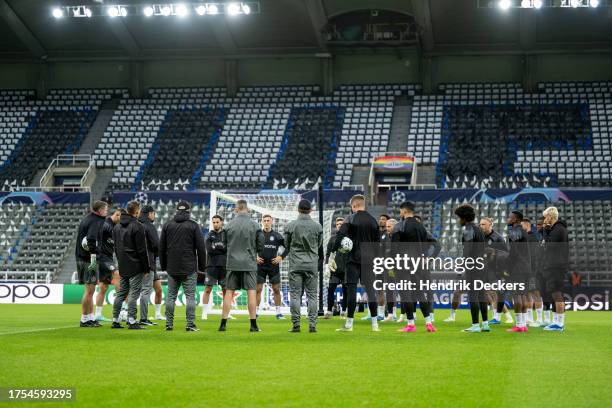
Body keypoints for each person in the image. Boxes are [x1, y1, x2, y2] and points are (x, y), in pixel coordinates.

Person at [334, 194, 381, 332]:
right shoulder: (373, 221)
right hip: (369, 260)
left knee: (352, 290)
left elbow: (339, 236)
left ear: (354, 206)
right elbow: (378, 244)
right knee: (371, 292)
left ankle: (349, 324)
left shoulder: (350, 218)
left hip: (353, 259)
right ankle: (375, 325)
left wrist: (336, 250)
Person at [159, 201, 206, 332]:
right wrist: (202, 266)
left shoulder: (167, 225)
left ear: (177, 210)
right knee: (190, 296)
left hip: (172, 267)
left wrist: (164, 266)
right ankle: (190, 325)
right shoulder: (193, 225)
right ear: (188, 210)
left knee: (171, 296)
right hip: (189, 267)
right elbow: (201, 248)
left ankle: (169, 324)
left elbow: (161, 248)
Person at [219, 200, 264, 332]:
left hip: (232, 263)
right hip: (249, 263)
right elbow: (261, 244)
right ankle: (253, 325)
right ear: (247, 209)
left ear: (236, 209)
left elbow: (223, 244)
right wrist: (255, 252)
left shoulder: (228, 226)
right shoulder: (255, 225)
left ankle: (223, 324)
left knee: (229, 292)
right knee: (251, 292)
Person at [392, 202, 436, 333]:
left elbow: (395, 248)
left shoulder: (400, 226)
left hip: (403, 263)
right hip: (418, 264)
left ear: (404, 211)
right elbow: (426, 246)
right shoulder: (421, 227)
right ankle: (428, 323)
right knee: (420, 293)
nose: (400, 214)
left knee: (406, 294)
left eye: (400, 211)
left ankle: (410, 324)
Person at [284, 199, 323, 333]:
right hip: (311, 263)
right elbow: (319, 245)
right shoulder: (317, 226)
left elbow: (286, 245)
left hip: (295, 264)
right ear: (311, 210)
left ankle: (296, 325)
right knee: (312, 295)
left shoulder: (290, 225)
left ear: (298, 209)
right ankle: (312, 325)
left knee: (295, 295)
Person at [111, 201, 149, 330]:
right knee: (134, 294)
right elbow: (142, 250)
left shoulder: (116, 227)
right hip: (135, 265)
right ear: (137, 212)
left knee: (121, 293)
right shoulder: (138, 226)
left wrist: (120, 261)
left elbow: (115, 248)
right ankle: (132, 320)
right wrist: (146, 267)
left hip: (122, 264)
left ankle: (115, 320)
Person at [454, 204, 489, 333]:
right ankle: (485, 324)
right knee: (481, 295)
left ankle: (475, 325)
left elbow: (467, 251)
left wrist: (463, 265)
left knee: (473, 295)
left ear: (464, 217)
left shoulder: (468, 230)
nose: (459, 220)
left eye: (459, 217)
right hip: (482, 265)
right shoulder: (479, 229)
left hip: (473, 267)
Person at [75, 200, 108, 327]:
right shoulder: (97, 221)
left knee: (90, 290)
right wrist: (94, 258)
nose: (106, 212)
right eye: (105, 209)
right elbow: (91, 239)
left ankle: (89, 317)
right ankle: (84, 319)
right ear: (99, 210)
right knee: (90, 290)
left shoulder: (87, 218)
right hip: (88, 259)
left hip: (82, 257)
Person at [479, 217, 513, 325]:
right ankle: (497, 316)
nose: (481, 226)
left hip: (496, 269)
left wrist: (494, 253)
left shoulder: (498, 238)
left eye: (484, 224)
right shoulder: (479, 237)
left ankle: (504, 316)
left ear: (490, 225)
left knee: (495, 293)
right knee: (487, 293)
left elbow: (506, 254)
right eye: (480, 224)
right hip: (483, 268)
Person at [541, 206, 569, 332]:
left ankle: (559, 324)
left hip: (556, 266)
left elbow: (549, 245)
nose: (544, 219)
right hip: (554, 265)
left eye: (546, 216)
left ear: (551, 217)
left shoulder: (558, 229)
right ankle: (557, 321)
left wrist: (545, 230)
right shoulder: (557, 229)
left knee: (557, 293)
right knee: (554, 293)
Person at [256, 215, 288, 319]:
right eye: (264, 221)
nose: (266, 222)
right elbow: (249, 247)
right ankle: (255, 312)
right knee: (258, 289)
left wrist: (281, 257)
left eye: (268, 221)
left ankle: (278, 313)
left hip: (273, 266)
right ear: (262, 222)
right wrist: (254, 257)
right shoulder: (257, 235)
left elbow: (288, 248)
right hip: (260, 265)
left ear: (271, 222)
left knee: (276, 289)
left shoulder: (277, 235)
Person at [505, 210, 532, 333]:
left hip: (517, 268)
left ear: (515, 219)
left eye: (510, 217)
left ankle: (519, 325)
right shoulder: (524, 232)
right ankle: (523, 324)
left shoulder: (514, 232)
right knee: (523, 295)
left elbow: (513, 253)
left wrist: (507, 269)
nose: (507, 218)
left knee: (516, 296)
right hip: (526, 267)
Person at [94, 207, 122, 322]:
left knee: (103, 287)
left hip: (109, 257)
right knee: (116, 273)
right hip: (103, 257)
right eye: (121, 218)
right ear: (117, 215)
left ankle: (98, 314)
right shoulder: (106, 224)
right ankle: (122, 308)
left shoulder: (115, 227)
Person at [138, 205, 164, 325]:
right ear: (149, 214)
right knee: (145, 291)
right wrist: (158, 254)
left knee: (158, 288)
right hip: (148, 263)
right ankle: (143, 318)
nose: (154, 216)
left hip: (138, 262)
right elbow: (156, 245)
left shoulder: (136, 225)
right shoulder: (149, 226)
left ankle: (157, 314)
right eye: (154, 213)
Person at [202, 215, 227, 320]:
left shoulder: (226, 235)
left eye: (217, 222)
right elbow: (209, 250)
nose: (215, 224)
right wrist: (221, 248)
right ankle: (204, 313)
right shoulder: (209, 235)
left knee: (225, 290)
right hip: (211, 266)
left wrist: (216, 247)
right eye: (214, 222)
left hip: (224, 266)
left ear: (221, 222)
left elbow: (228, 249)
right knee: (208, 289)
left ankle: (226, 313)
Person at [522, 218, 544, 327]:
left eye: (521, 226)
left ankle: (539, 319)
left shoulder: (533, 238)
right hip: (524, 270)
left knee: (535, 293)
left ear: (527, 225)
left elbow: (535, 256)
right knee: (527, 294)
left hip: (532, 271)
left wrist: (534, 270)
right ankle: (529, 319)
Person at [324, 217, 348, 319]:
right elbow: (328, 253)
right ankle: (329, 311)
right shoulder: (332, 239)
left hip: (346, 270)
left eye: (341, 224)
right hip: (334, 270)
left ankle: (343, 311)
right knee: (331, 289)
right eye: (338, 224)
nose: (339, 225)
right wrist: (326, 266)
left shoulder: (348, 240)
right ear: (336, 226)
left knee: (346, 291)